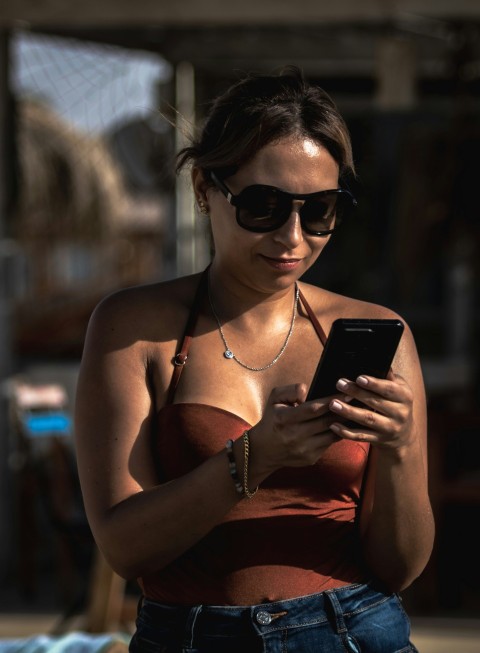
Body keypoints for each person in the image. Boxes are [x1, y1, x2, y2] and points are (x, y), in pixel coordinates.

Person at [74, 66, 435, 652]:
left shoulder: (376, 329)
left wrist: (399, 446)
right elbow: (125, 549)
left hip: (354, 632)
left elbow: (399, 569)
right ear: (203, 190)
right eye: (263, 205)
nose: (292, 236)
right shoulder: (134, 329)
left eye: (320, 210)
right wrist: (254, 458)